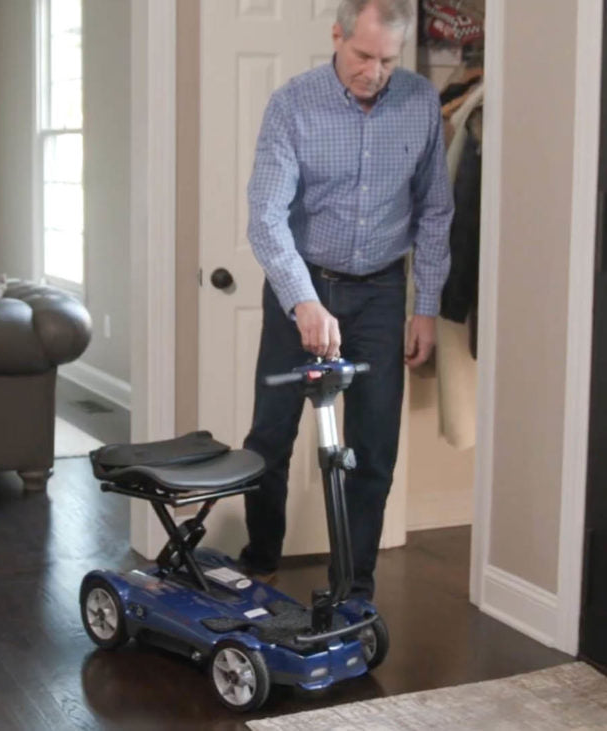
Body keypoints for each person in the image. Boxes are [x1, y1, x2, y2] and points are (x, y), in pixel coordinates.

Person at [239, 0, 453, 600]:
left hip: (381, 292)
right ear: (337, 36)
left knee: (374, 449)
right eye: (363, 55)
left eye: (387, 59)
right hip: (303, 286)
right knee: (271, 437)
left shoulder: (420, 104)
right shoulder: (293, 105)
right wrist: (304, 301)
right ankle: (260, 564)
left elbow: (435, 211)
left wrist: (426, 308)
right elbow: (266, 217)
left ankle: (352, 590)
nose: (374, 72)